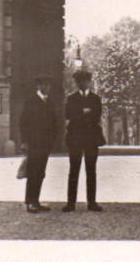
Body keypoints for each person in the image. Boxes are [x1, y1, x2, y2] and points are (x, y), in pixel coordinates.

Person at [64, 69, 105, 211]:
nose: (82, 83)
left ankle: (92, 202)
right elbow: (69, 114)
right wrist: (86, 113)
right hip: (76, 139)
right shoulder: (71, 98)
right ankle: (71, 202)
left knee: (91, 171)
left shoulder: (95, 99)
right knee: (73, 171)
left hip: (91, 139)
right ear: (76, 83)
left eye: (85, 81)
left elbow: (97, 115)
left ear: (89, 82)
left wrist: (80, 114)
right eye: (79, 81)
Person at [18, 77, 56, 212]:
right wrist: (24, 141)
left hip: (45, 144)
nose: (47, 87)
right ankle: (30, 201)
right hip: (34, 143)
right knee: (33, 172)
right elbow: (24, 123)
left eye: (49, 85)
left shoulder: (49, 102)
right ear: (38, 86)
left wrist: (52, 140)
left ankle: (36, 200)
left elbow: (54, 123)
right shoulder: (30, 102)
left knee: (40, 173)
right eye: (45, 84)